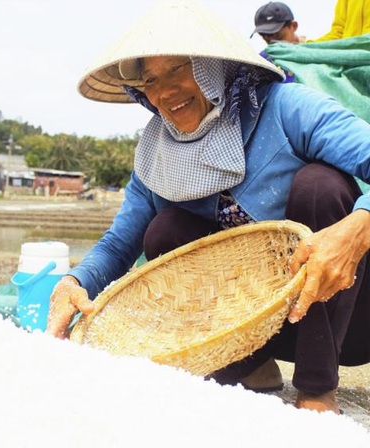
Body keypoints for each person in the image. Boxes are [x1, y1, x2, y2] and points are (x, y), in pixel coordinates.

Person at [46, 0, 370, 415]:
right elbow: (118, 244)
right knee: (165, 230)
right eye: (150, 80)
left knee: (320, 186)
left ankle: (317, 389)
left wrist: (357, 229)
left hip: (345, 314)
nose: (164, 92)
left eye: (178, 69)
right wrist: (74, 283)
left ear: (214, 66)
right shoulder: (157, 153)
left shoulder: (288, 108)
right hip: (256, 326)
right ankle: (252, 366)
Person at [251, 2, 306, 83]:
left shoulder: (316, 55)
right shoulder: (263, 61)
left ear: (293, 26)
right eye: (264, 36)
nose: (272, 42)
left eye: (277, 35)